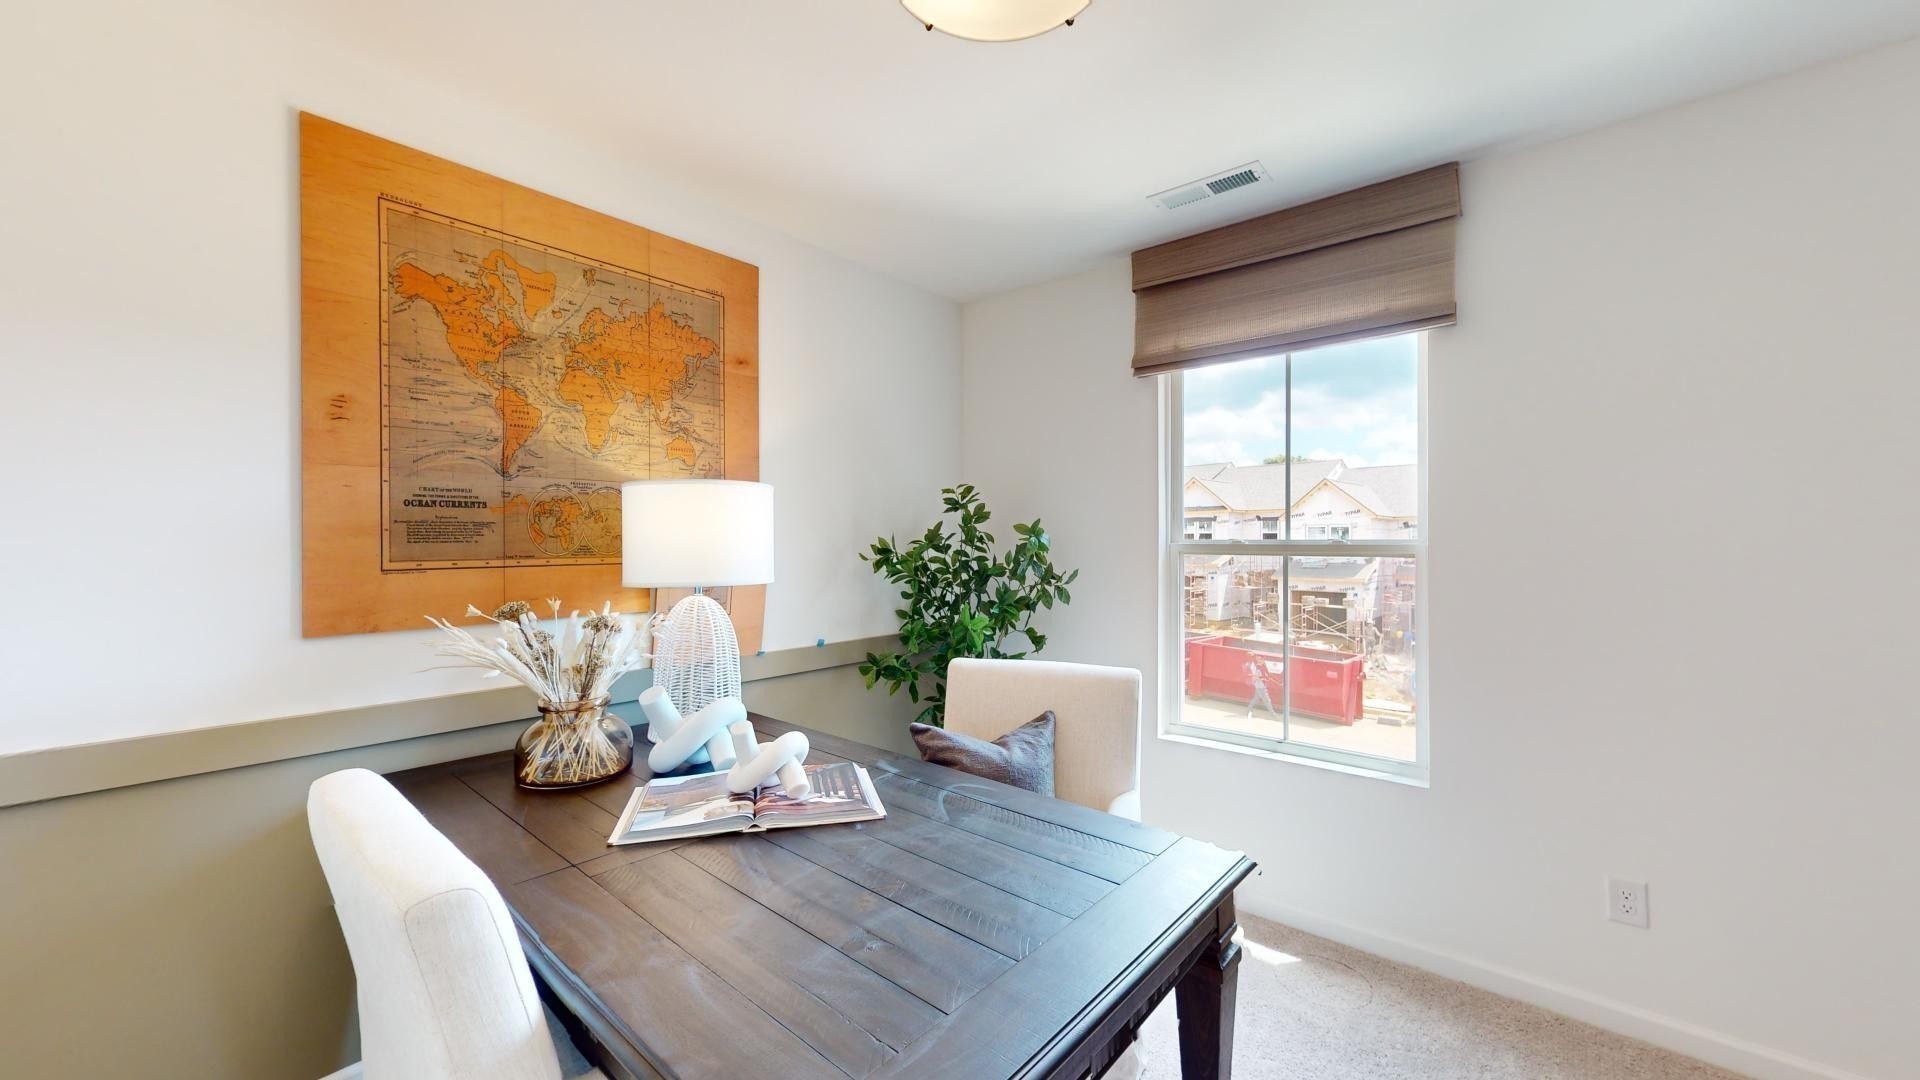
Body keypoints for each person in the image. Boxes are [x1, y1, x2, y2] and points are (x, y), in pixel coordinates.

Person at [1244, 653, 1280, 720]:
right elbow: (1256, 678)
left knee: (1255, 699)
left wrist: (1276, 681)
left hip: (1261, 685)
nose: (1259, 660)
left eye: (1261, 659)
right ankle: (1273, 715)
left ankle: (1248, 710)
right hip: (1260, 686)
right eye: (1258, 659)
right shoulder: (1257, 667)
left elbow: (1267, 675)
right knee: (1267, 700)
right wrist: (1262, 678)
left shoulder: (1263, 666)